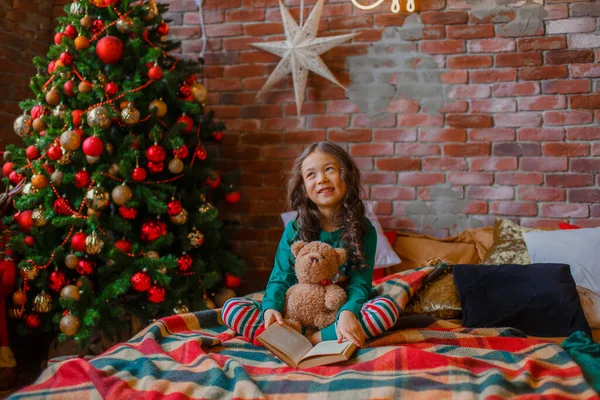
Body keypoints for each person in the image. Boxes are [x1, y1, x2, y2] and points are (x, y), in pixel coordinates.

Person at [223, 142, 400, 347]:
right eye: (311, 175)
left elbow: (359, 283)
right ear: (304, 189)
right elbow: (280, 279)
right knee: (232, 308)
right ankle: (290, 334)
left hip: (336, 315)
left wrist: (348, 312)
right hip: (294, 313)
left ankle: (312, 339)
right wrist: (271, 308)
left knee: (386, 309)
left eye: (329, 169)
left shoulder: (364, 229)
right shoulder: (294, 229)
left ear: (346, 176)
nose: (322, 179)